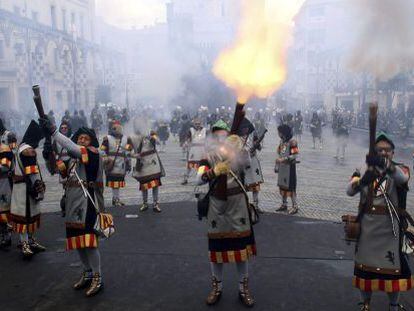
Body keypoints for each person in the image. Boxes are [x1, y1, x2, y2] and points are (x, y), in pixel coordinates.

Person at [346, 132, 412, 311]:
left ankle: (393, 305)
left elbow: (402, 179)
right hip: (367, 227)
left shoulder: (401, 169)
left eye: (387, 150)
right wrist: (361, 181)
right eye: (379, 150)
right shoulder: (362, 168)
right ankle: (365, 304)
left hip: (391, 229)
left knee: (393, 272)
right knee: (364, 269)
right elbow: (349, 191)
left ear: (393, 153)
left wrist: (385, 165)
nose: (383, 153)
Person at [40, 116, 105, 297]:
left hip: (87, 203)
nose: (82, 140)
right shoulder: (74, 159)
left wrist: (54, 132)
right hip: (72, 204)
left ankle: (98, 277)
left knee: (89, 243)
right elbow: (56, 170)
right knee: (78, 242)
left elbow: (72, 147)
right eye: (80, 138)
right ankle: (87, 272)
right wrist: (48, 154)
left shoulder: (92, 153)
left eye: (86, 138)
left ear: (92, 142)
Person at [196, 123, 256, 307]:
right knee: (216, 251)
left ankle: (243, 289)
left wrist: (241, 146)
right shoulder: (208, 156)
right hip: (217, 206)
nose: (221, 139)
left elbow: (248, 163)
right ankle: (217, 288)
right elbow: (198, 179)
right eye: (218, 136)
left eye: (224, 136)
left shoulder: (238, 151)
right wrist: (213, 171)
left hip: (238, 204)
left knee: (241, 252)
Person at [9, 120, 46, 258]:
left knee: (27, 216)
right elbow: (32, 172)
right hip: (26, 188)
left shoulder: (21, 147)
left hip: (21, 187)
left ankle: (29, 241)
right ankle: (25, 243)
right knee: (25, 216)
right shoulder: (28, 150)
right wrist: (38, 187)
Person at [129, 125, 165, 213]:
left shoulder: (151, 133)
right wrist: (134, 155)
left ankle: (155, 204)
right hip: (142, 163)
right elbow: (127, 149)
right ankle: (145, 203)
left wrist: (150, 136)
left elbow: (158, 141)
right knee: (144, 185)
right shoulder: (131, 137)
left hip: (152, 162)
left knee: (155, 184)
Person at [101, 121, 131, 207]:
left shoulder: (126, 139)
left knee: (117, 183)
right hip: (111, 163)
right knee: (115, 183)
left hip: (121, 163)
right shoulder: (107, 139)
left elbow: (128, 151)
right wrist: (105, 158)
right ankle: (115, 199)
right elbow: (102, 150)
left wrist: (128, 162)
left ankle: (116, 199)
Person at [275, 124, 299, 215]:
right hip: (282, 167)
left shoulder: (292, 142)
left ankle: (295, 206)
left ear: (283, 132)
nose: (278, 134)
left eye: (279, 132)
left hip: (289, 168)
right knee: (282, 185)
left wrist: (284, 159)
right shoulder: (282, 141)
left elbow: (295, 155)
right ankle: (284, 204)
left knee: (291, 187)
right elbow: (280, 153)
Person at [0, 118, 17, 248]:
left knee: (4, 206)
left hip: (5, 177)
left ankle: (7, 233)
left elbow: (14, 153)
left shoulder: (9, 136)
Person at [182, 118, 206, 185]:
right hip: (193, 150)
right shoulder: (191, 130)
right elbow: (188, 138)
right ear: (194, 124)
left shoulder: (204, 130)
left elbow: (208, 139)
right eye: (196, 124)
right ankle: (185, 179)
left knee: (200, 166)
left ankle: (200, 179)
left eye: (199, 124)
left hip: (201, 150)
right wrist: (185, 143)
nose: (197, 125)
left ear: (201, 124)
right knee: (189, 166)